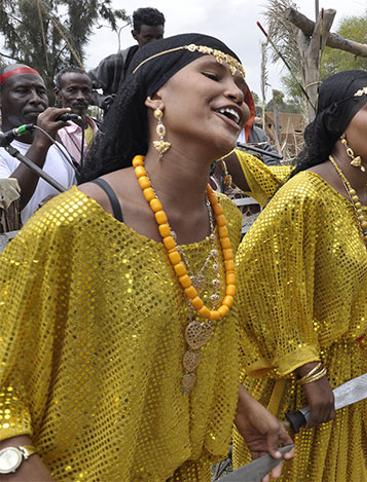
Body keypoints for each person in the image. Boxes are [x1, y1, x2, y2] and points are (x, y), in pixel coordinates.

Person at [0, 34, 292, 481]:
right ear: (154, 96)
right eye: (213, 75)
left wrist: (242, 407)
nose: (236, 92)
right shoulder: (79, 221)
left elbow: (189, 342)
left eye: (240, 84)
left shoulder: (226, 220)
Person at [233, 71, 367, 480]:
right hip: (311, 392)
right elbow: (258, 283)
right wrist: (309, 369)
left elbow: (346, 274)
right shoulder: (305, 195)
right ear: (339, 125)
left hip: (366, 379)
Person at [0, 63, 76, 225]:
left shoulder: (57, 149)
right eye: (22, 91)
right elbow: (6, 211)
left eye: (41, 92)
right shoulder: (44, 144)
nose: (35, 99)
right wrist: (40, 144)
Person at [90, 7, 165, 98]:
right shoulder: (114, 63)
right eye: (148, 37)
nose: (155, 43)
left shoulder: (169, 64)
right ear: (135, 35)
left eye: (159, 37)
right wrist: (105, 102)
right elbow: (81, 87)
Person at [54, 67, 100, 167]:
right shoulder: (52, 133)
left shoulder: (101, 129)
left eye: (85, 91)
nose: (80, 97)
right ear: (58, 94)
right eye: (72, 90)